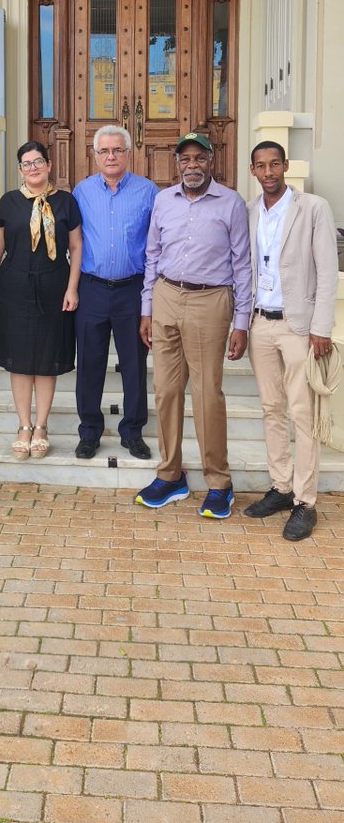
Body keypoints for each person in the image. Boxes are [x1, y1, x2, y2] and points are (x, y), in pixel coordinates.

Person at [136, 132, 251, 519]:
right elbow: (152, 255)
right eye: (185, 159)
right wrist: (147, 308)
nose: (191, 166)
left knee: (206, 395)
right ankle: (170, 476)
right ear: (176, 163)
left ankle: (219, 482)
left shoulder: (231, 202)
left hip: (210, 300)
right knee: (166, 391)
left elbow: (242, 264)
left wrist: (242, 321)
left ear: (211, 161)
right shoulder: (162, 200)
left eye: (199, 158)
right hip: (167, 295)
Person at [243, 141, 338, 541]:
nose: (269, 172)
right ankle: (281, 488)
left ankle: (305, 501)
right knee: (271, 408)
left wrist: (320, 327)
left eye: (275, 164)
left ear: (285, 166)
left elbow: (327, 270)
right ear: (253, 170)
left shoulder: (312, 208)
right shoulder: (249, 212)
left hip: (298, 327)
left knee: (303, 413)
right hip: (260, 325)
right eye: (261, 166)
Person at [0, 141, 82, 459]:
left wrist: (72, 288)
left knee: (46, 359)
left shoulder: (66, 202)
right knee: (20, 359)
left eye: (38, 161)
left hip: (54, 285)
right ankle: (23, 425)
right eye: (26, 163)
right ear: (20, 170)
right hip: (14, 286)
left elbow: (77, 247)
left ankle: (41, 425)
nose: (33, 168)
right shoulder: (9, 202)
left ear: (49, 164)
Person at [72, 125, 159, 460]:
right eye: (104, 151)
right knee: (89, 364)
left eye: (117, 150)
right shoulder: (81, 191)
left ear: (128, 153)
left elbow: (155, 246)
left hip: (132, 290)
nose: (111, 156)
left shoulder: (148, 191)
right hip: (91, 288)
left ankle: (132, 432)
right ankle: (89, 432)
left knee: (134, 363)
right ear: (95, 155)